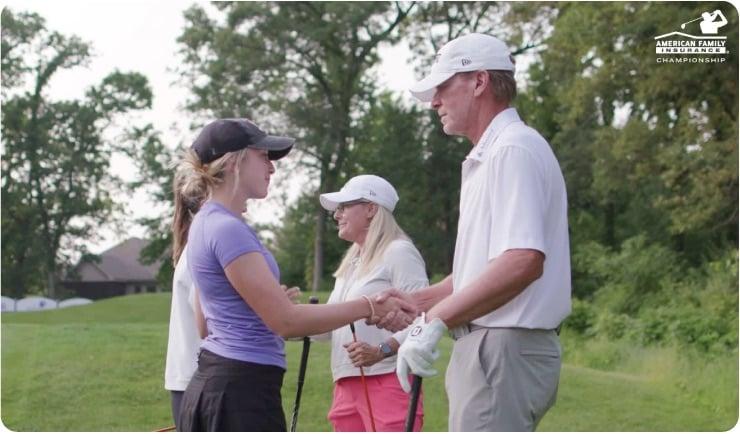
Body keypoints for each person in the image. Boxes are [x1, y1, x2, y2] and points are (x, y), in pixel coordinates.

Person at [374, 33, 572, 431]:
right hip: (492, 348)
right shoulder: (491, 155)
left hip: (502, 347)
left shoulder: (512, 149)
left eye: (443, 87)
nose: (434, 102)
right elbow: (486, 268)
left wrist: (436, 322)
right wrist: (422, 302)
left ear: (479, 82)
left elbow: (523, 261)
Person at [173, 118, 416, 432]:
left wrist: (268, 303)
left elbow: (206, 325)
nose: (272, 168)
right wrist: (369, 306)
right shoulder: (228, 229)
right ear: (235, 162)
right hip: (240, 393)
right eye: (264, 157)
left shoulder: (207, 222)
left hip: (221, 384)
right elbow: (286, 322)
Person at [314, 175, 427, 431]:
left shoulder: (399, 251)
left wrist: (381, 351)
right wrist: (282, 319)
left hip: (388, 379)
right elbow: (329, 325)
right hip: (345, 384)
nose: (336, 215)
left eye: (344, 207)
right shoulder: (351, 264)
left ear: (371, 209)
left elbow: (425, 318)